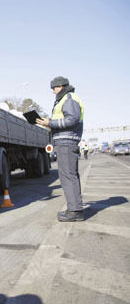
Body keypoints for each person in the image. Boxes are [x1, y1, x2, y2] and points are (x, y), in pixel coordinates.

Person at [36, 76, 85, 222]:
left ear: (61, 86)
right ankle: (74, 208)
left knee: (68, 176)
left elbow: (72, 119)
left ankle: (75, 211)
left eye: (54, 88)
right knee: (68, 176)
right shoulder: (66, 98)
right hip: (65, 141)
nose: (53, 91)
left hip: (67, 141)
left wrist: (50, 123)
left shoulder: (69, 99)